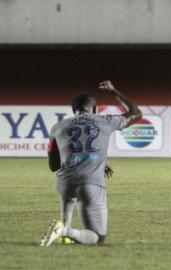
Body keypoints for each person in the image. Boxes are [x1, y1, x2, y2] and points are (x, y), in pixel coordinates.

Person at [40, 80, 142, 246]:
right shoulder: (105, 121)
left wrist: (82, 159)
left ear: (74, 111)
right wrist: (113, 91)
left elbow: (54, 166)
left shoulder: (57, 127)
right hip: (90, 182)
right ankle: (63, 231)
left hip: (64, 182)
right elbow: (136, 113)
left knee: (68, 194)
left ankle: (63, 231)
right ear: (96, 109)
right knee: (98, 238)